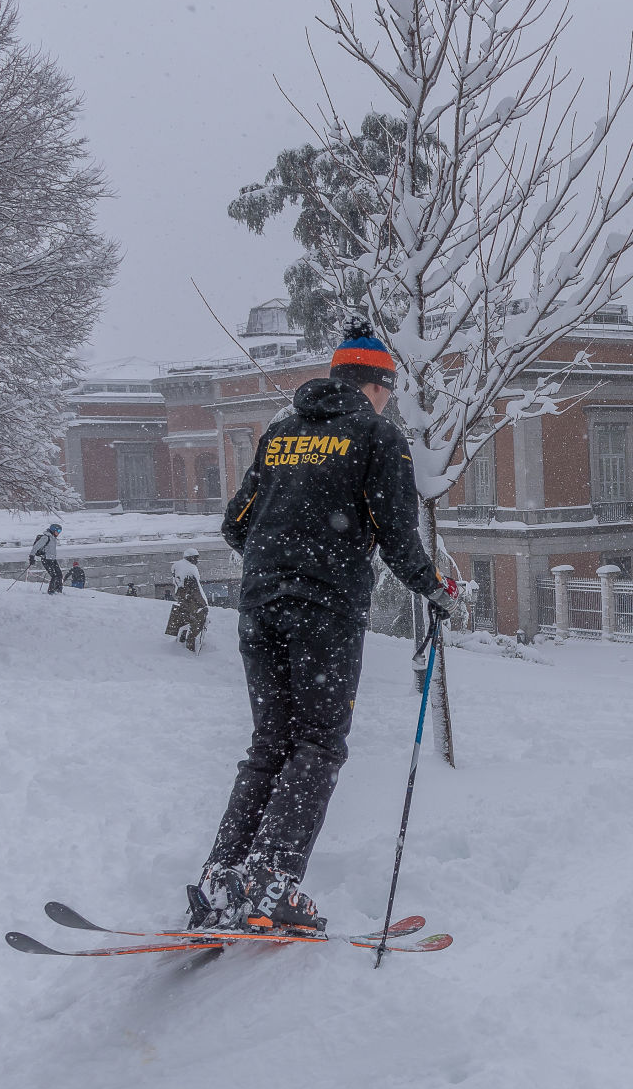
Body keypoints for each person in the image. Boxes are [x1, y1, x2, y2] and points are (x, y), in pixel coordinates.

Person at [186, 329, 460, 934]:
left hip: (259, 608)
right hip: (325, 614)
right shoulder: (377, 435)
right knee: (318, 744)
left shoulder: (281, 433)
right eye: (389, 388)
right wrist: (435, 589)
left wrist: (280, 554)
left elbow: (236, 525)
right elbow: (396, 538)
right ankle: (270, 879)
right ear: (378, 385)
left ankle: (221, 878)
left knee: (270, 744)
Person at [165, 547, 209, 653]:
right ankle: (190, 649)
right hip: (192, 602)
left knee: (185, 623)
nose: (197, 561)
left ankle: (181, 644)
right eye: (196, 558)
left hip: (183, 601)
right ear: (191, 558)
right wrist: (204, 604)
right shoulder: (190, 569)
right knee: (196, 626)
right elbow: (196, 591)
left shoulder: (176, 567)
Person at [28, 524, 63, 595]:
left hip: (52, 559)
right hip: (46, 559)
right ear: (53, 530)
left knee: (59, 575)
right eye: (58, 531)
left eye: (60, 531)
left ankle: (58, 591)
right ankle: (51, 591)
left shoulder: (53, 538)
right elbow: (36, 547)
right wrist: (32, 557)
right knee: (54, 575)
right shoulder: (46, 538)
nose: (59, 532)